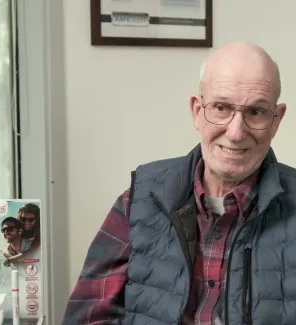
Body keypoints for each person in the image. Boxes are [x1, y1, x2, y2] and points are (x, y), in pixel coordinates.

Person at [61, 41, 295, 325]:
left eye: (255, 112)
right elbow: (87, 317)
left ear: (277, 119)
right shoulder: (140, 200)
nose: (235, 132)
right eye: (221, 107)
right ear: (197, 111)